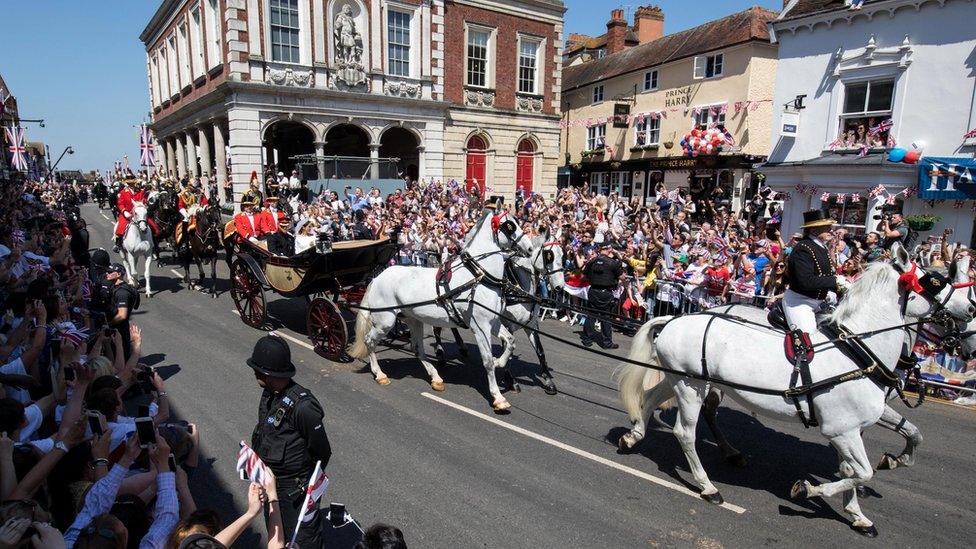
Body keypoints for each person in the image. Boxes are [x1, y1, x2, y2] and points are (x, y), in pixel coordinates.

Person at [248, 335, 332, 549]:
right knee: (276, 532)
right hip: (272, 485)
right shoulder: (270, 394)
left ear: (267, 373)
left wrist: (306, 485)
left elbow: (322, 451)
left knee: (302, 539)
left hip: (295, 490)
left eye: (257, 370)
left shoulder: (303, 407)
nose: (254, 373)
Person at [783, 210, 848, 334]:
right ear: (814, 230)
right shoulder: (803, 248)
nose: (831, 231)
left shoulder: (821, 246)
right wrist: (835, 281)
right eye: (827, 228)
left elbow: (822, 275)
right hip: (799, 303)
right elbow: (806, 281)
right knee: (809, 338)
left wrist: (828, 292)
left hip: (818, 301)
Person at [581, 243, 623, 349]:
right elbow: (622, 276)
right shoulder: (612, 263)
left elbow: (583, 276)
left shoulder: (592, 261)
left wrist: (593, 279)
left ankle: (587, 340)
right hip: (605, 293)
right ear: (608, 250)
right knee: (606, 318)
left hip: (594, 291)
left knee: (591, 316)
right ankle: (606, 343)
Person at [113, 178, 159, 253]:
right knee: (120, 227)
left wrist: (144, 203)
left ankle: (154, 245)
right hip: (128, 213)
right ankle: (118, 244)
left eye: (133, 183)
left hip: (139, 213)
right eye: (130, 184)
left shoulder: (140, 191)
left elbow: (143, 199)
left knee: (153, 226)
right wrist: (124, 211)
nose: (132, 185)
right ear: (127, 184)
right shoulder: (123, 192)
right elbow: (120, 204)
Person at [105, 263, 140, 359]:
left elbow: (122, 315)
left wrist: (108, 324)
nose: (107, 273)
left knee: (119, 356)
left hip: (119, 330)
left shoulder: (122, 293)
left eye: (110, 272)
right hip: (117, 329)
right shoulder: (116, 287)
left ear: (119, 274)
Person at [178, 180, 209, 251]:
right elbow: (180, 205)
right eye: (193, 187)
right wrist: (185, 213)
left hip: (199, 211)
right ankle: (185, 240)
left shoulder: (200, 192)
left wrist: (204, 207)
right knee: (185, 220)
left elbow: (205, 201)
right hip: (188, 211)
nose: (195, 189)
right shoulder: (184, 193)